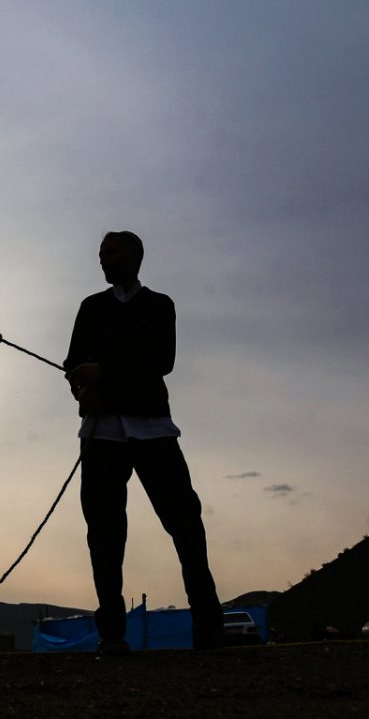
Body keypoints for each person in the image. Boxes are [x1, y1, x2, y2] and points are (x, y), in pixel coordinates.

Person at [64, 231, 226, 654]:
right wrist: (81, 389)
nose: (103, 259)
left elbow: (162, 360)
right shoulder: (90, 307)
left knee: (186, 524)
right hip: (100, 436)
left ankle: (209, 629)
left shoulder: (160, 305)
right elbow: (73, 364)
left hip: (154, 429)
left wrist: (104, 373)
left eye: (110, 252)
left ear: (134, 257)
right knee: (104, 534)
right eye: (100, 253)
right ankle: (112, 636)